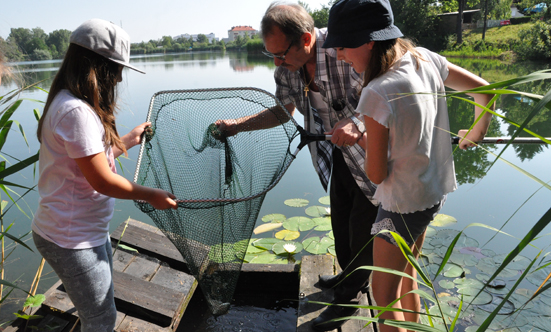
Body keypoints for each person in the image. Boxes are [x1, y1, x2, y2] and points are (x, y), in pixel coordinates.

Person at [323, 0, 494, 331]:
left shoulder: (376, 91)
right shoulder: (424, 58)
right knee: (406, 275)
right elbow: (484, 92)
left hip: (400, 205)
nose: (339, 55)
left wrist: (359, 139)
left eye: (343, 46)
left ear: (370, 40)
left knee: (382, 294)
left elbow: (376, 174)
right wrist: (475, 133)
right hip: (432, 193)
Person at [215, 2, 379, 330]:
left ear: (306, 40)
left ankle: (350, 298)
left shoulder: (344, 47)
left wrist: (357, 123)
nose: (276, 62)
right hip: (339, 154)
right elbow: (281, 111)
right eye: (270, 55)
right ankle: (347, 276)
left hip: (373, 153)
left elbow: (384, 88)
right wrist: (236, 125)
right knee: (342, 221)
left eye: (281, 53)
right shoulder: (288, 68)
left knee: (363, 229)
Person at [32, 19, 178, 332]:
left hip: (78, 231)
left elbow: (86, 165)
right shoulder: (76, 112)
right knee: (100, 319)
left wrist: (126, 140)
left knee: (98, 311)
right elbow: (102, 181)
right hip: (71, 238)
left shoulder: (67, 102)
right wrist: (150, 194)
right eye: (118, 69)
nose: (121, 77)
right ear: (102, 67)